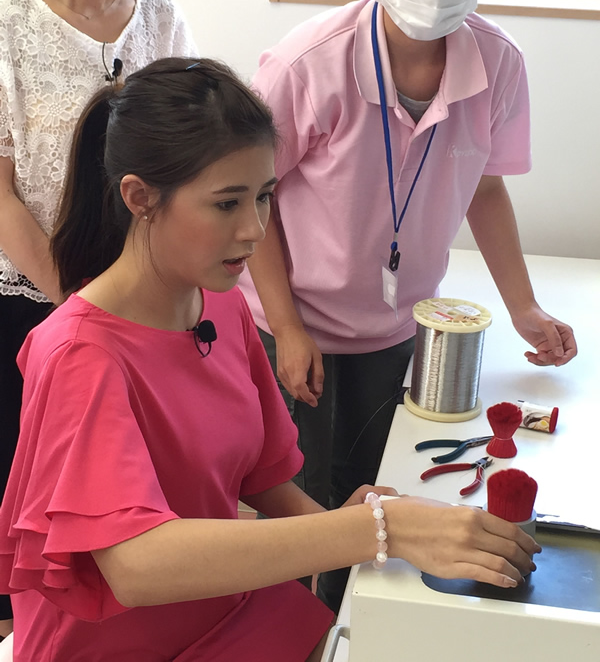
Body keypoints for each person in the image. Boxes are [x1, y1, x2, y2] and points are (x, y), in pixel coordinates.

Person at [0, 57, 539, 660]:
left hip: (222, 610)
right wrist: (369, 530)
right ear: (140, 198)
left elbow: (264, 481)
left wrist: (358, 524)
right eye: (227, 204)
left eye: (264, 197)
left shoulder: (221, 306)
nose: (256, 229)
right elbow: (134, 564)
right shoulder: (80, 353)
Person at [239, 0, 577, 612]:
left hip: (399, 326)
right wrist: (287, 327)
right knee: (300, 504)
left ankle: (348, 629)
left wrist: (524, 308)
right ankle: (289, 629)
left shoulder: (498, 63)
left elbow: (486, 188)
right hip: (291, 324)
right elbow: (251, 202)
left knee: (376, 493)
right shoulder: (307, 64)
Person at [0, 0, 194, 633]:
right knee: (27, 491)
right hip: (29, 300)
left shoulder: (163, 19)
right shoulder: (9, 20)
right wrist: (72, 303)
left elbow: (186, 161)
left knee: (125, 496)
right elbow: (0, 193)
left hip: (138, 301)